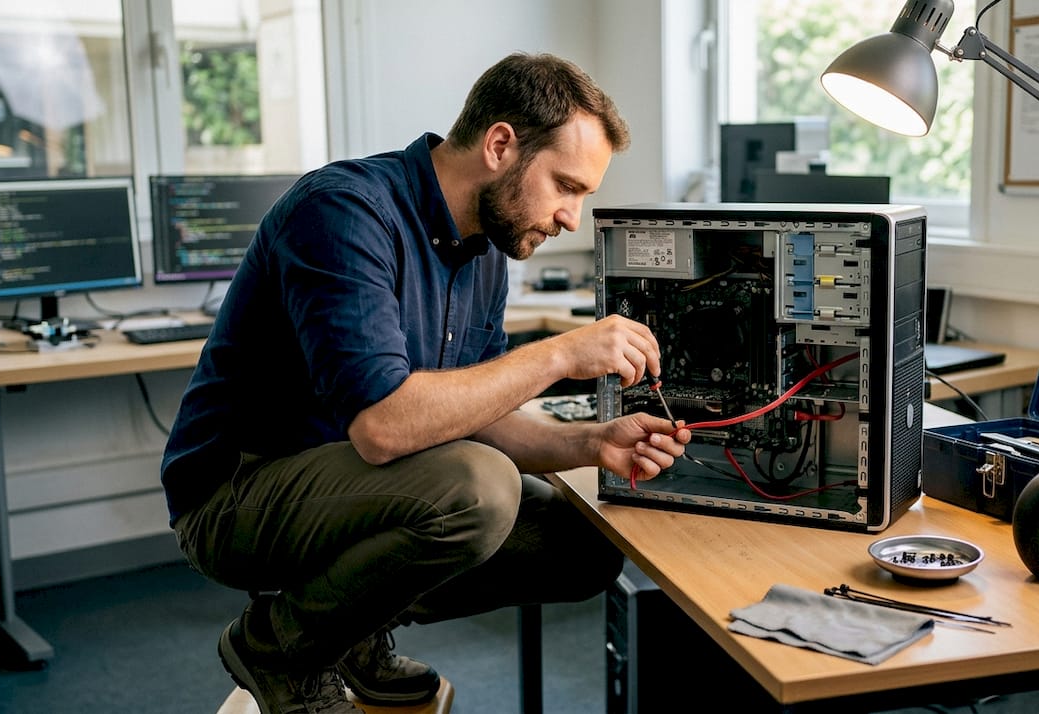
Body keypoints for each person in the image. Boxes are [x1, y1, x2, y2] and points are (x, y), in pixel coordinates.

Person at [160, 52, 691, 714]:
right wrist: (558, 355)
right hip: (235, 497)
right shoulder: (343, 212)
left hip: (356, 489)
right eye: (566, 186)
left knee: (583, 546)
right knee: (478, 488)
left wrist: (592, 443)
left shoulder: (485, 254)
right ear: (501, 145)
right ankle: (281, 647)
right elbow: (385, 427)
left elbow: (471, 414)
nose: (570, 219)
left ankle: (350, 630)